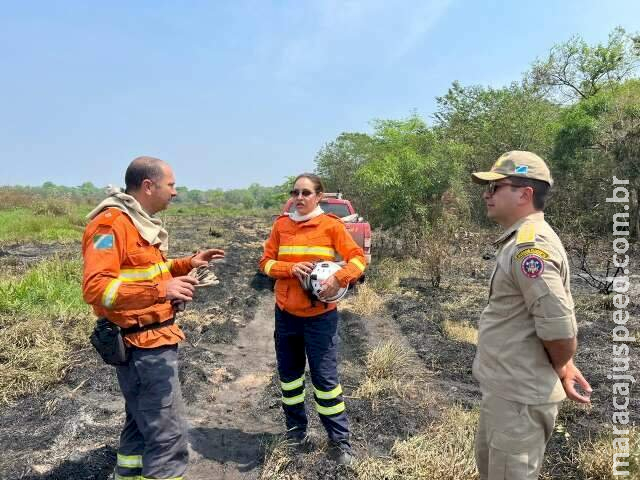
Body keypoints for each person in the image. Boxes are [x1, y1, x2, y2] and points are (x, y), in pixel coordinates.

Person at [82, 156, 224, 480]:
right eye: (171, 185)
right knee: (167, 440)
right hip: (142, 347)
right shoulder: (110, 226)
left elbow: (148, 271)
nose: (174, 192)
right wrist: (161, 290)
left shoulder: (136, 222)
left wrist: (188, 263)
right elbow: (96, 288)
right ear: (148, 186)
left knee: (138, 425)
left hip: (149, 341)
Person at [470, 151, 592, 479]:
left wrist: (563, 362)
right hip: (507, 392)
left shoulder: (530, 247)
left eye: (496, 187)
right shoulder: (519, 242)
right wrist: (564, 367)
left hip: (519, 400)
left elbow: (560, 329)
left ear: (525, 194)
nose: (487, 193)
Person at [259, 173, 366, 465]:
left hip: (320, 319)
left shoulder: (331, 226)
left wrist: (339, 279)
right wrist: (289, 269)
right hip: (286, 316)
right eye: (296, 192)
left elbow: (358, 258)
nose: (300, 197)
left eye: (306, 192)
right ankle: (296, 434)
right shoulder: (281, 225)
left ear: (319, 196)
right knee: (290, 380)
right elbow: (265, 263)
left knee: (325, 381)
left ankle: (340, 442)